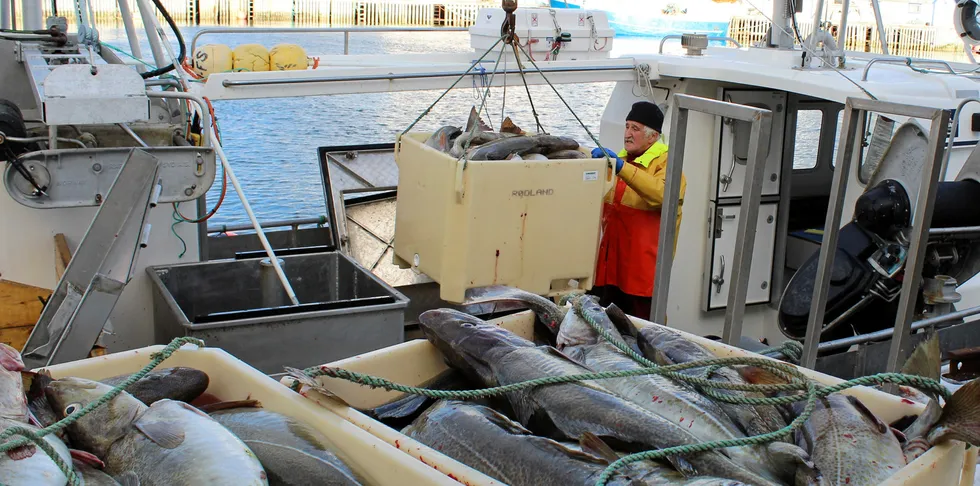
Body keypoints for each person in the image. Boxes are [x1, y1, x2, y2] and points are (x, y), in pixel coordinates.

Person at [589, 101, 687, 321]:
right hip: (609, 273)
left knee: (643, 335)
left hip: (642, 281)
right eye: (626, 126)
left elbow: (663, 194)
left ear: (653, 136)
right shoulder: (621, 160)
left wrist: (623, 169)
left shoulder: (668, 164)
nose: (627, 134)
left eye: (635, 128)